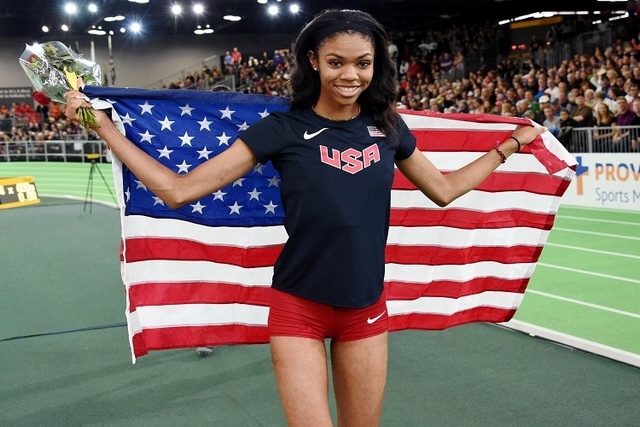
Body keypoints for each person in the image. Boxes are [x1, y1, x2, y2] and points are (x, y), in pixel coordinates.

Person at [65, 9, 543, 426]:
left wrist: (510, 144)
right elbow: (178, 190)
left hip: (367, 312)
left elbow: (445, 189)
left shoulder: (389, 128)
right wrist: (103, 126)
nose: (350, 75)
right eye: (336, 62)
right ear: (313, 61)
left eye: (363, 63)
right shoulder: (282, 129)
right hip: (299, 312)